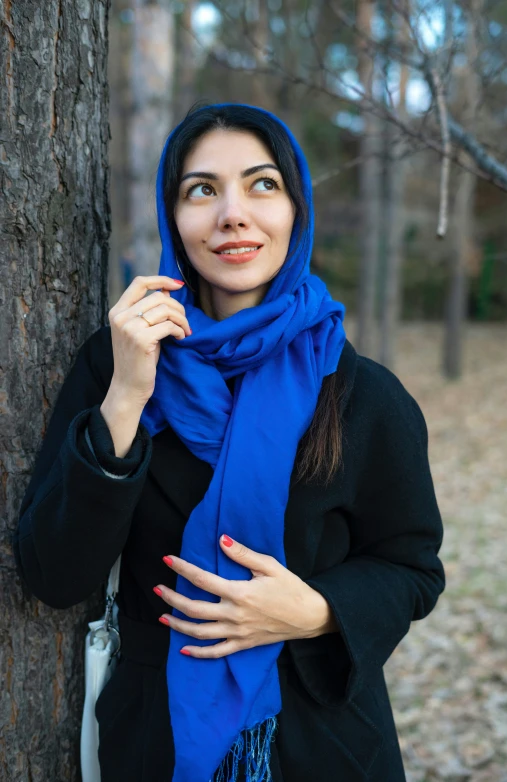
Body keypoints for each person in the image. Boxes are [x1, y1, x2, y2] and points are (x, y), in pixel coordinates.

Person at [13, 102, 445, 782]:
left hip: (327, 744)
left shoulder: (363, 393)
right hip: (159, 743)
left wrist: (318, 610)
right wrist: (127, 395)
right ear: (172, 218)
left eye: (261, 184)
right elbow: (54, 574)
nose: (233, 214)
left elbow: (412, 567)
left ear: (295, 208)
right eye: (202, 190)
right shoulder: (120, 361)